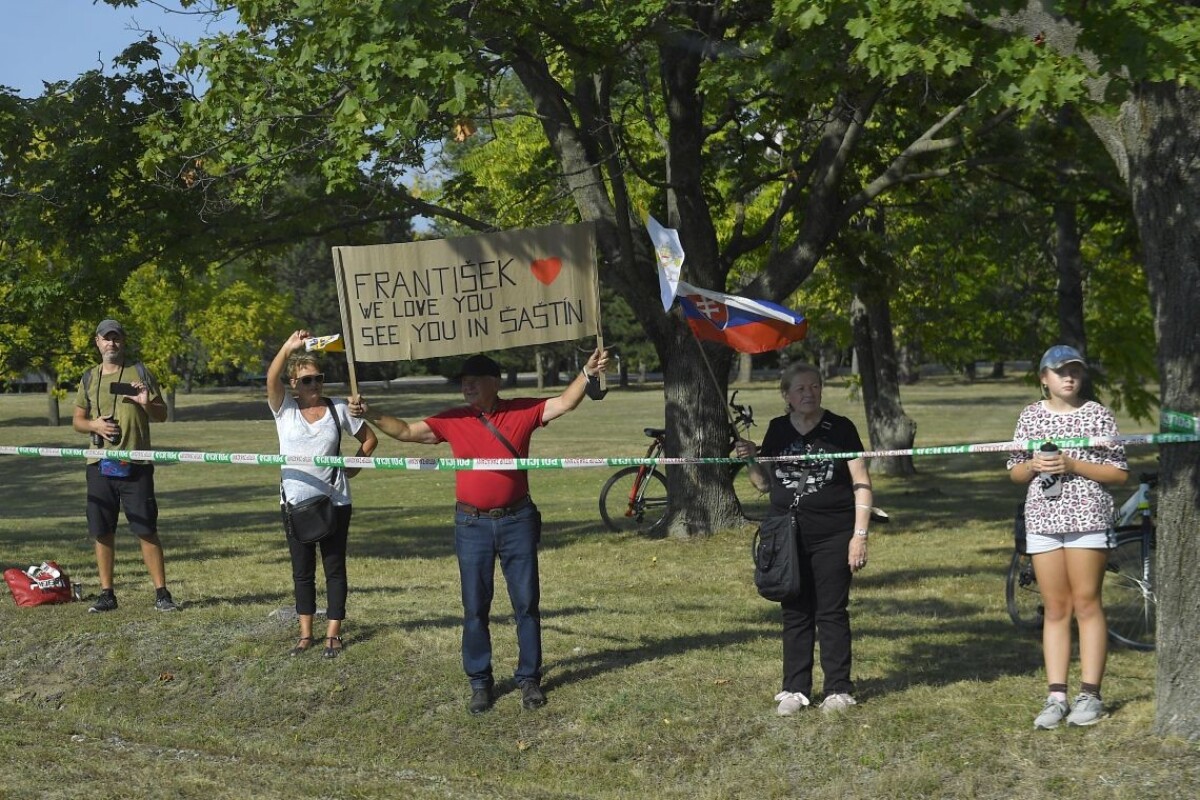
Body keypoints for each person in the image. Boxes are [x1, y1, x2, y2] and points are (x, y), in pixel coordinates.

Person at [349, 348, 609, 714]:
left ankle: (529, 678)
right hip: (471, 524)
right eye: (463, 381)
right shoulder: (453, 419)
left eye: (474, 380)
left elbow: (565, 403)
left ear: (495, 382)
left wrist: (586, 370)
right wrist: (370, 413)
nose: (466, 386)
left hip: (517, 521)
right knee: (475, 607)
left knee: (526, 604)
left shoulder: (521, 410)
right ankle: (480, 683)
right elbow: (406, 432)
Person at [734, 362, 872, 716]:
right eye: (800, 389)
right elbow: (765, 485)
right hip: (787, 534)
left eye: (814, 386)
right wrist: (750, 460)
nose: (808, 393)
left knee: (830, 610)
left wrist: (859, 535)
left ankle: (838, 689)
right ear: (786, 396)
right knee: (794, 609)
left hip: (833, 533)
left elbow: (861, 483)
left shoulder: (841, 429)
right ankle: (794, 688)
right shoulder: (778, 430)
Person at [1007, 345, 1127, 729]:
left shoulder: (1097, 415)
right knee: (1055, 608)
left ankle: (1090, 693)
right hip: (1042, 521)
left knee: (1086, 602)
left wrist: (1074, 464)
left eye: (1075, 370)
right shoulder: (1029, 416)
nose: (1069, 377)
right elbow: (1014, 472)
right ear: (1044, 378)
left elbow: (1119, 473)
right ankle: (1056, 696)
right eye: (1060, 371)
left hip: (1087, 519)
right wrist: (1031, 466)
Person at [268, 330, 377, 658]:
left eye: (319, 379)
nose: (314, 386)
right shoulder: (283, 409)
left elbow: (370, 439)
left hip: (335, 502)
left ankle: (333, 633)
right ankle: (305, 635)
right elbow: (271, 377)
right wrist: (288, 346)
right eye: (307, 381)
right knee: (302, 571)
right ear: (293, 385)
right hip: (294, 503)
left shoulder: (339, 409)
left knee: (334, 567)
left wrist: (354, 466)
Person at [71, 319, 178, 613]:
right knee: (102, 530)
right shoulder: (89, 378)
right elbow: (78, 421)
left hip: (136, 463)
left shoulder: (140, 373)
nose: (111, 343)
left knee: (145, 528)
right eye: (106, 338)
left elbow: (161, 415)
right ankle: (107, 594)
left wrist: (144, 402)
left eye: (116, 338)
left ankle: (162, 594)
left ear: (123, 341)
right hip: (100, 464)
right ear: (97, 342)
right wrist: (94, 425)